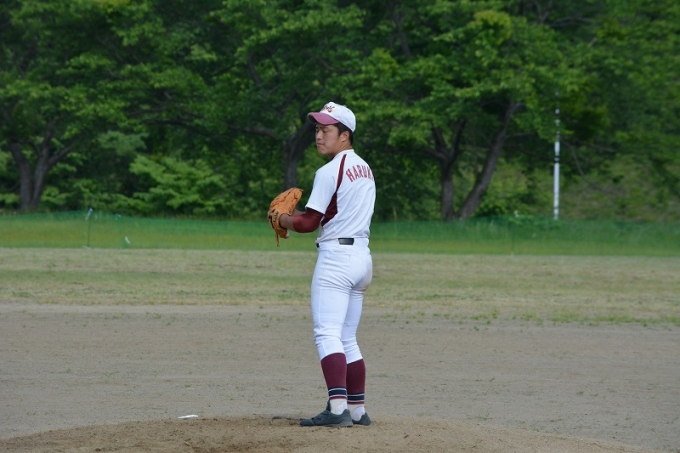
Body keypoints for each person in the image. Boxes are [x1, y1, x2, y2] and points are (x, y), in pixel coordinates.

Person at [276, 101, 375, 427]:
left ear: (345, 135)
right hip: (362, 259)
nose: (319, 136)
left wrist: (283, 219)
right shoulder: (365, 168)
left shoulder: (329, 171)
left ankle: (337, 410)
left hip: (336, 260)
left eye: (326, 130)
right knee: (347, 338)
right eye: (317, 129)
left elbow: (308, 223)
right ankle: (357, 411)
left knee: (327, 334)